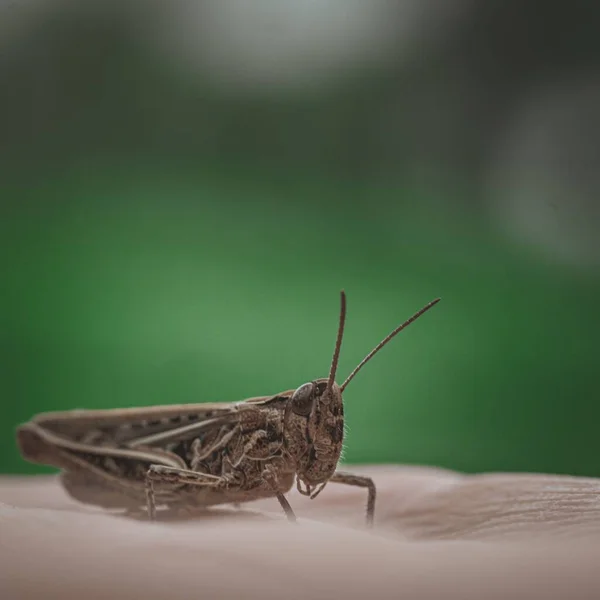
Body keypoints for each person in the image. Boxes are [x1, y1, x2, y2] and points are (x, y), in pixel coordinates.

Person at [1, 465, 599, 599]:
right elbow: (275, 485)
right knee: (159, 470)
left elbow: (305, 486)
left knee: (362, 485)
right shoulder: (260, 437)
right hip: (149, 474)